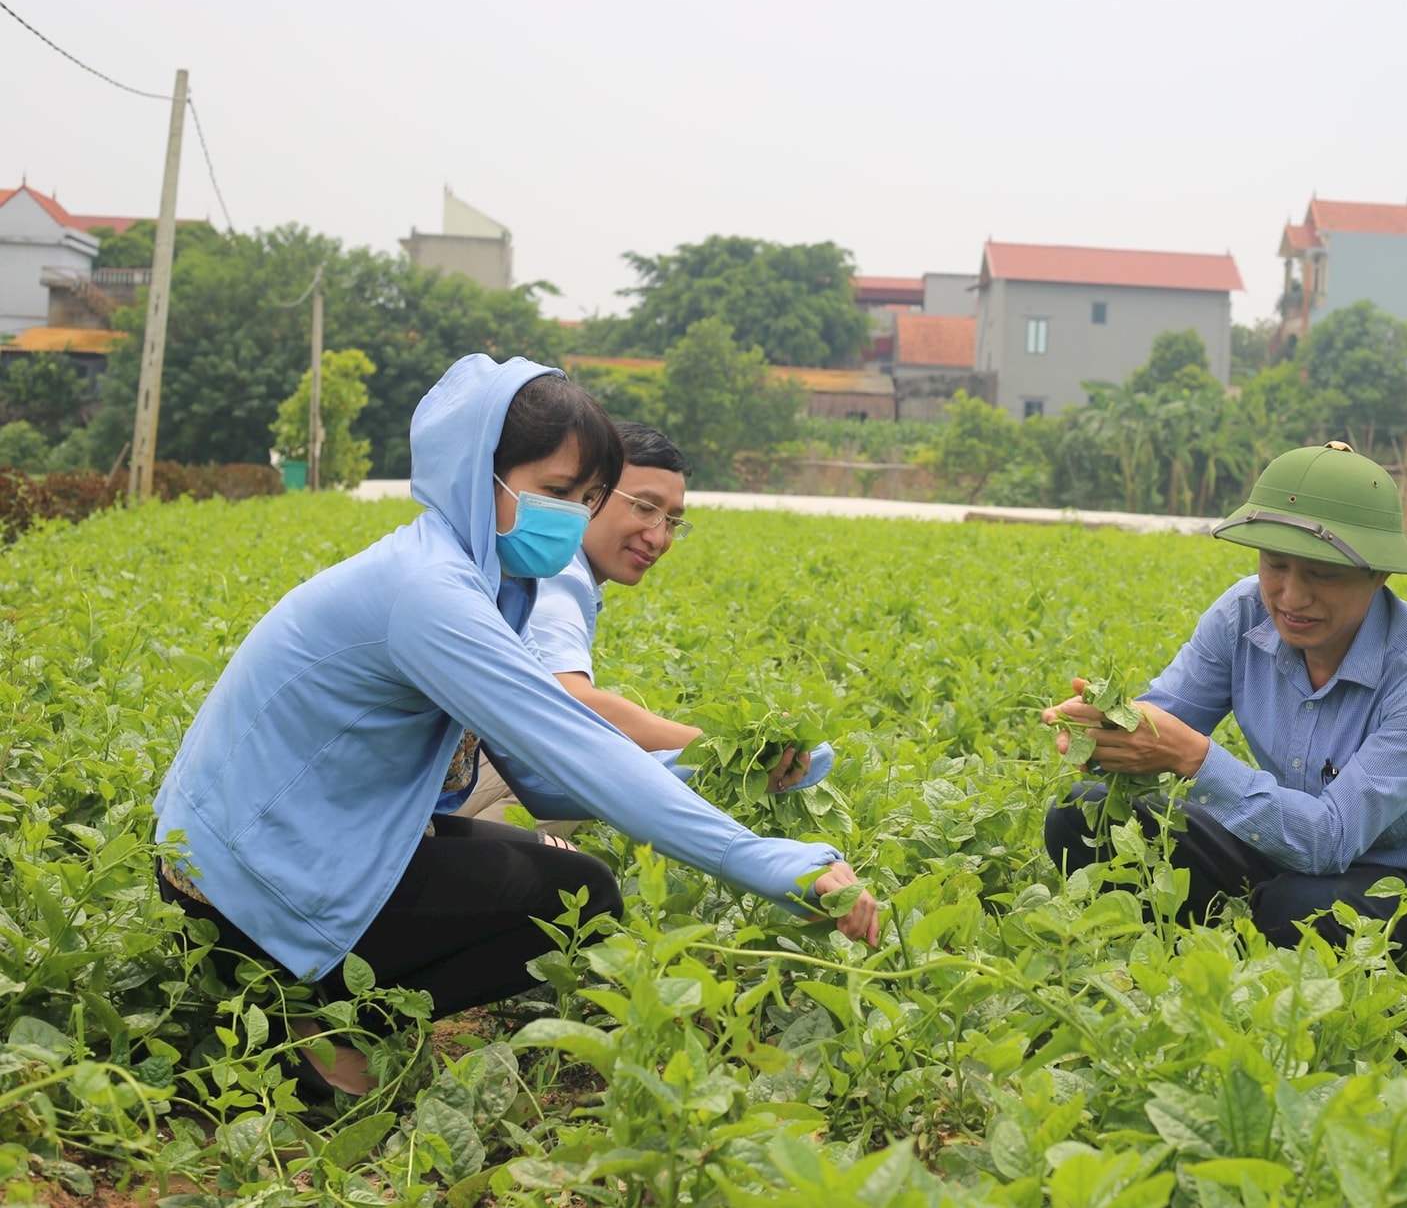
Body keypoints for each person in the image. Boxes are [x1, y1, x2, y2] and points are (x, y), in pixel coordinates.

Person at [153, 354, 879, 1096]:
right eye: (555, 491)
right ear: (479, 474)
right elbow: (581, 749)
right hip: (240, 879)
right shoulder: (430, 593)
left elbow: (539, 775)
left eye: (587, 495)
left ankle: (326, 998)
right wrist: (765, 860)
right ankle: (297, 1009)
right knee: (573, 898)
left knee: (571, 880)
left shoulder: (485, 580)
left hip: (301, 839)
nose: (571, 514)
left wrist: (719, 774)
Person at [1041, 441, 1407, 949]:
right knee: (1081, 812)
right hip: (1283, 841)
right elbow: (1162, 719)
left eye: (1322, 573)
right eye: (1276, 565)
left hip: (1401, 875)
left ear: (1378, 574)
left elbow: (1330, 838)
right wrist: (1109, 734)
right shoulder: (1243, 613)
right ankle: (1183, 951)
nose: (1292, 597)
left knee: (1297, 909)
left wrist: (1195, 758)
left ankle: (1240, 936)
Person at [456, 422, 819, 838]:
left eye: (671, 522)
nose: (658, 537)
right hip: (412, 786)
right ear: (590, 495)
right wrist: (723, 747)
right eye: (644, 508)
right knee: (583, 770)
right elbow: (569, 703)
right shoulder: (558, 571)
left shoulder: (555, 564)